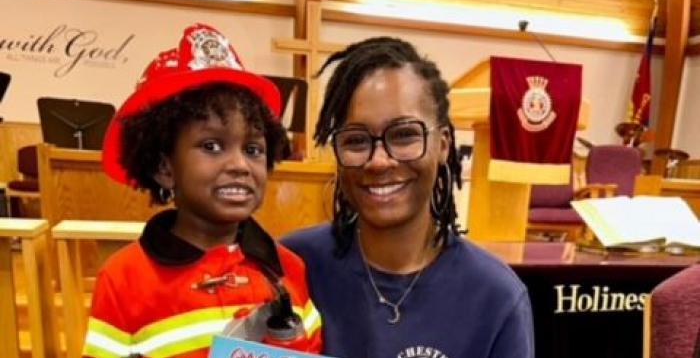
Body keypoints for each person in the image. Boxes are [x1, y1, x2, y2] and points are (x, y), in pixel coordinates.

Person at [283, 37, 534, 358]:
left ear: (443, 144)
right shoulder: (292, 265)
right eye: (357, 140)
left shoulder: (495, 296)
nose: (378, 160)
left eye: (403, 135)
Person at [83, 24, 322, 358]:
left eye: (253, 149)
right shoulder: (123, 280)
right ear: (165, 168)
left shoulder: (289, 268)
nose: (240, 164)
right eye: (212, 146)